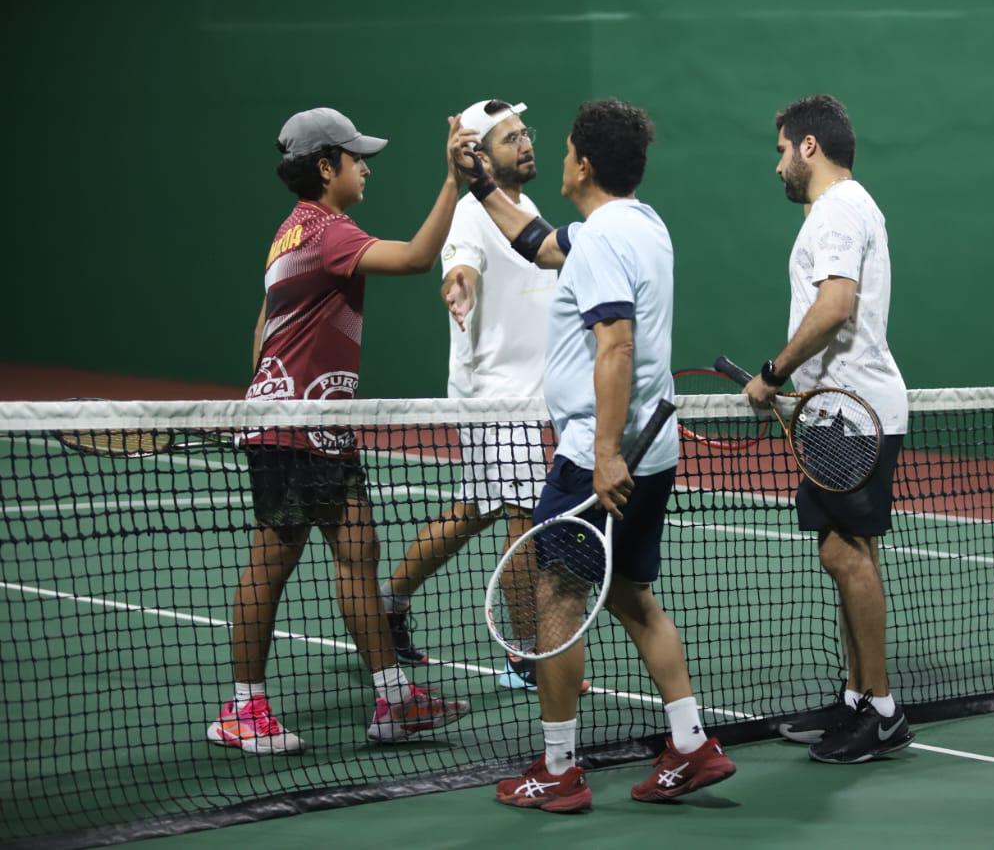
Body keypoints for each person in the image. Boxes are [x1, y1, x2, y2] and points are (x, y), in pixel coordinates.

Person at [453, 99, 736, 811]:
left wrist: (605, 454)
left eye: (565, 149)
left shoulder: (606, 238)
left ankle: (558, 768)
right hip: (654, 449)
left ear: (582, 164)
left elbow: (615, 344)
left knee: (557, 595)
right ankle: (691, 742)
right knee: (631, 595)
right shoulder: (639, 224)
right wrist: (479, 183)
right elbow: (541, 244)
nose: (558, 157)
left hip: (595, 457)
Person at [206, 107, 472, 755]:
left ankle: (393, 701)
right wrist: (452, 182)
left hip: (317, 425)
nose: (366, 168)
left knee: (359, 548)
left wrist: (263, 395)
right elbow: (417, 258)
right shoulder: (328, 232)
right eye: (357, 159)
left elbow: (264, 323)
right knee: (272, 563)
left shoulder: (289, 234)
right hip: (297, 427)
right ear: (326, 167)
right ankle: (242, 709)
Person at [378, 99, 584, 693]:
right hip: (495, 395)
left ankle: (389, 601)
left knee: (476, 510)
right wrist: (458, 286)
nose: (527, 143)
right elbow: (459, 266)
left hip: (533, 394)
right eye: (510, 138)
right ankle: (526, 652)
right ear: (480, 157)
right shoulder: (471, 213)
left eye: (525, 133)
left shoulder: (526, 209)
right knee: (524, 517)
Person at [745, 94, 913, 764]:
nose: (777, 164)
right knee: (849, 552)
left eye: (782, 149)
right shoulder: (843, 207)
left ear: (808, 147)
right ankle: (857, 698)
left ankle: (882, 711)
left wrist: (773, 372)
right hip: (839, 409)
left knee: (844, 555)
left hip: (851, 414)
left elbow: (836, 305)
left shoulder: (839, 209)